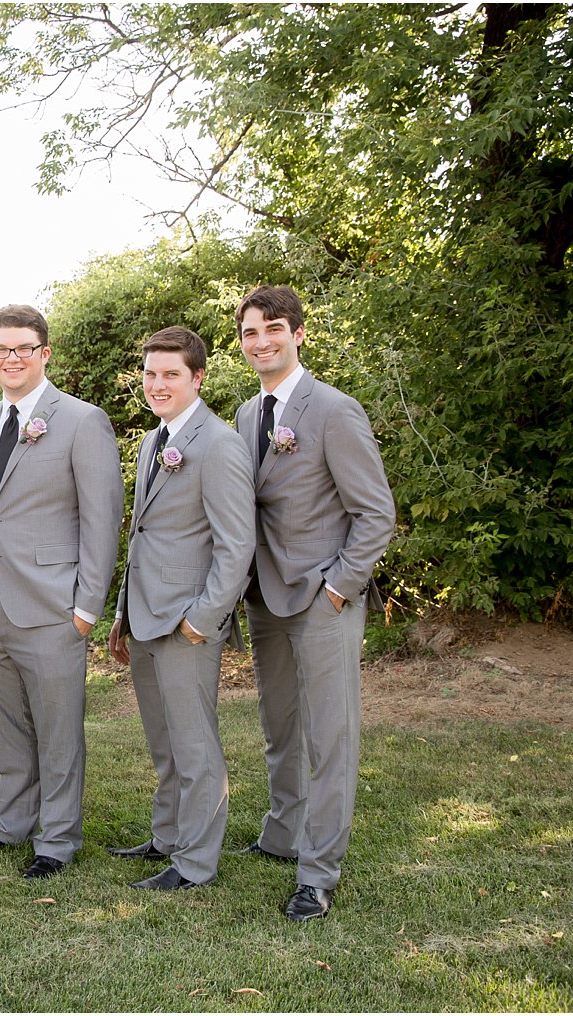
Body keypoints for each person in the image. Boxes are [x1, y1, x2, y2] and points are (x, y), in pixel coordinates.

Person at [232, 285, 395, 920]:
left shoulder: (333, 410)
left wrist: (340, 587)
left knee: (329, 736)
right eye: (249, 332)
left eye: (272, 328)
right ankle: (282, 834)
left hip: (322, 598)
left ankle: (318, 873)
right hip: (265, 597)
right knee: (280, 726)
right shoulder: (248, 415)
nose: (261, 341)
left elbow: (375, 513)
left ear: (298, 333)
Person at [0, 304, 125, 879]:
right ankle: (12, 822)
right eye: (2, 349)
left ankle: (57, 839)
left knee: (57, 729)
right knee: (8, 726)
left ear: (45, 353)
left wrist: (86, 607)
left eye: (24, 348)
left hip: (53, 605)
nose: (12, 358)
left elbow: (102, 517)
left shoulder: (81, 420)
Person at [105, 328, 253, 890]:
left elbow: (236, 544)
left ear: (198, 377)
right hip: (145, 614)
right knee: (163, 739)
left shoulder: (219, 444)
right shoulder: (152, 442)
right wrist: (122, 610)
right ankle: (167, 837)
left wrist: (204, 618)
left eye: (171, 374)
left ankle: (194, 863)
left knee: (195, 745)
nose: (157, 384)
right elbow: (142, 536)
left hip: (187, 619)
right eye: (150, 374)